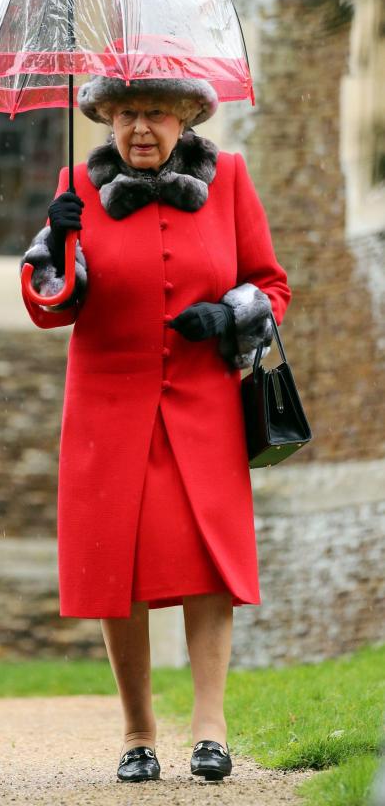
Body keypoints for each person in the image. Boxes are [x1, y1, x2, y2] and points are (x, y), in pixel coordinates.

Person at [20, 75, 291, 784]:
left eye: (156, 114)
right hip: (107, 407)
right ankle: (138, 733)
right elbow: (53, 306)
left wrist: (229, 316)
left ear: (186, 117)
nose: (141, 128)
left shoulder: (228, 178)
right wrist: (56, 239)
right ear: (107, 115)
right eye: (126, 113)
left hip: (202, 404)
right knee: (121, 563)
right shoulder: (75, 182)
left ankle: (210, 728)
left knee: (208, 560)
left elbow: (272, 282)